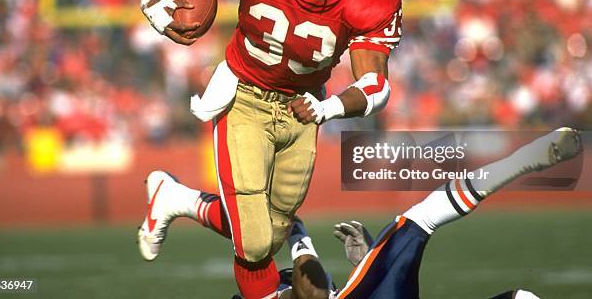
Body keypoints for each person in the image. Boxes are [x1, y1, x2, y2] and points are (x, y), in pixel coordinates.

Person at [138, 0, 402, 298]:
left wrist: (329, 107)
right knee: (255, 243)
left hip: (304, 108)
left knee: (270, 233)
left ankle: (178, 199)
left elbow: (375, 84)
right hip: (243, 94)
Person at [232, 127, 582, 298]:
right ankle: (522, 161)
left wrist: (367, 262)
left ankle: (523, 160)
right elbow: (313, 292)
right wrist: (296, 229)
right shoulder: (278, 285)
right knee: (422, 217)